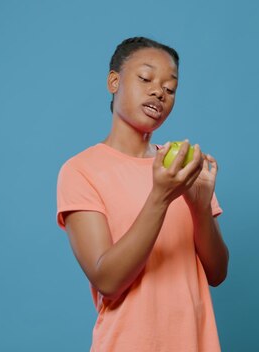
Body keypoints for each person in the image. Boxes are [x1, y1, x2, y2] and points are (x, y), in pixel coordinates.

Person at [56, 36, 229, 351]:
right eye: (146, 78)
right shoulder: (81, 170)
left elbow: (217, 273)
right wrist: (161, 196)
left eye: (170, 88)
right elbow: (107, 280)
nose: (158, 92)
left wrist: (200, 206)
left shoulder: (181, 167)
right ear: (114, 81)